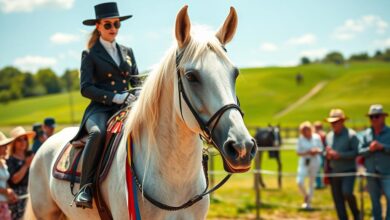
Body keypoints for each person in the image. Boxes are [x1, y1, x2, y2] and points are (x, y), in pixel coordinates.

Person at [71, 2, 139, 209]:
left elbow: (136, 81)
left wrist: (138, 93)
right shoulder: (90, 54)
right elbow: (86, 88)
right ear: (98, 26)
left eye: (117, 24)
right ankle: (86, 188)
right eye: (108, 25)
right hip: (101, 108)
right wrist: (115, 98)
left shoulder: (127, 51)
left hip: (127, 107)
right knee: (98, 133)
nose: (113, 29)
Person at [325, 109, 360, 220]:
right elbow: (325, 151)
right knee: (337, 199)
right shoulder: (329, 136)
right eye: (332, 122)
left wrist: (340, 155)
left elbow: (356, 153)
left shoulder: (352, 135)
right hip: (334, 171)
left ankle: (356, 214)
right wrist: (327, 154)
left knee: (347, 193)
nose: (333, 124)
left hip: (348, 170)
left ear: (342, 121)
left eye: (336, 122)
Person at [359, 104, 390, 220]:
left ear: (383, 117)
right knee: (374, 199)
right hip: (371, 172)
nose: (374, 119)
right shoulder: (366, 134)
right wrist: (369, 149)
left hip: (387, 172)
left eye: (376, 116)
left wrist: (382, 147)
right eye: (371, 117)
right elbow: (360, 151)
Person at [6, 127, 35, 220]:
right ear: (14, 143)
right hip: (18, 197)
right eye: (19, 140)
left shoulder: (30, 154)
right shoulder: (10, 160)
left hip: (32, 193)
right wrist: (26, 165)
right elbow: (15, 180)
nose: (23, 142)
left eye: (25, 139)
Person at [296, 121, 323, 209]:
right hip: (304, 161)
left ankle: (308, 203)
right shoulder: (300, 139)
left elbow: (321, 148)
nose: (304, 132)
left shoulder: (317, 137)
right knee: (299, 181)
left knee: (311, 182)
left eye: (306, 130)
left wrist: (316, 151)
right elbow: (298, 152)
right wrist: (307, 152)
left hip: (315, 161)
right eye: (303, 131)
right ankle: (306, 196)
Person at [0, 132, 17, 220]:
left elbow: (3, 182)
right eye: (4, 145)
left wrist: (10, 192)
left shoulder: (3, 162)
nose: (7, 147)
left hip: (4, 205)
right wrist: (7, 191)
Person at [313, 121, 326, 188]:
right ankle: (321, 183)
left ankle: (320, 183)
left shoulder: (318, 135)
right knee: (321, 169)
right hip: (321, 154)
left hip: (320, 154)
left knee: (319, 169)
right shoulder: (323, 134)